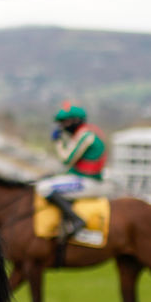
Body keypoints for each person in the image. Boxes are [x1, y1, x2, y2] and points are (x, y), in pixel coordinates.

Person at [35, 102, 107, 240]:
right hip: (83, 179)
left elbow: (67, 159)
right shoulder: (85, 133)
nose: (61, 126)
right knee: (45, 181)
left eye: (64, 122)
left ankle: (76, 220)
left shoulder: (86, 135)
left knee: (44, 188)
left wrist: (58, 142)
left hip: (89, 183)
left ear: (76, 121)